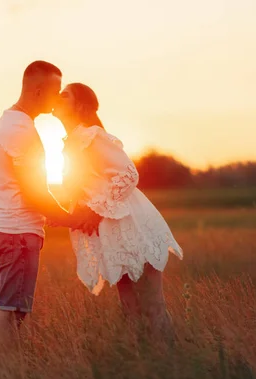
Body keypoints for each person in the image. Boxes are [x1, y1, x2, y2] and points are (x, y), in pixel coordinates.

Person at [51, 82, 184, 340]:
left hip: (130, 225)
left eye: (64, 94)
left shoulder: (93, 136)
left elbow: (128, 174)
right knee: (129, 308)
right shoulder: (72, 144)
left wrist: (97, 211)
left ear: (79, 105)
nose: (57, 97)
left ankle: (170, 364)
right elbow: (82, 191)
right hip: (110, 232)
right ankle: (143, 366)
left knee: (152, 306)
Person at [0, 62, 100, 346]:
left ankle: (11, 367)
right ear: (38, 91)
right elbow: (34, 190)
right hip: (16, 233)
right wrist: (73, 218)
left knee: (16, 309)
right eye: (54, 91)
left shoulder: (12, 122)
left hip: (14, 230)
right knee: (11, 311)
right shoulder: (19, 129)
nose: (57, 98)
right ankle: (4, 372)